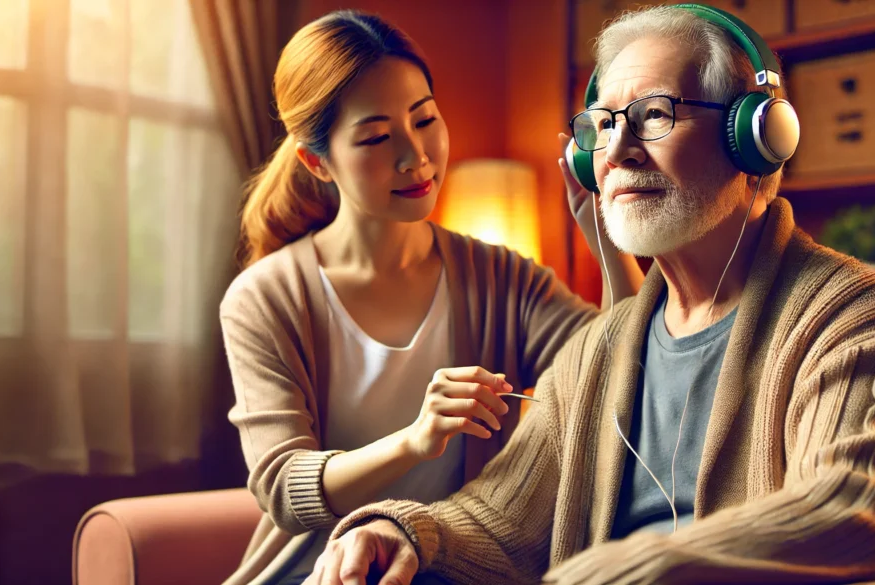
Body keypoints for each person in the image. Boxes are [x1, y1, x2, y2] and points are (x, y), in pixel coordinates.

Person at [309, 5, 875, 585]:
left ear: (751, 136)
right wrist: (401, 531)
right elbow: (498, 519)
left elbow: (848, 511)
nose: (615, 150)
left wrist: (636, 566)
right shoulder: (598, 348)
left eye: (654, 115)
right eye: (604, 124)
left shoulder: (853, 312)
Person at [217, 9, 643, 585]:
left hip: (449, 567)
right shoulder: (264, 298)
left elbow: (620, 370)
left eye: (424, 120)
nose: (415, 155)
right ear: (317, 161)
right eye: (375, 136)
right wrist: (416, 440)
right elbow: (284, 489)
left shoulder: (501, 278)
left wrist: (604, 233)